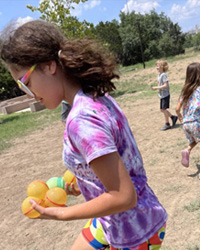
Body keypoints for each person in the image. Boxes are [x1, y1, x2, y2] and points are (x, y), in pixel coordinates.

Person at [0, 20, 167, 250]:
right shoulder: (94, 97)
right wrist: (81, 179)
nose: (30, 95)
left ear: (49, 66)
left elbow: (123, 196)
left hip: (134, 230)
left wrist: (61, 213)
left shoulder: (82, 121)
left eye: (26, 84)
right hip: (116, 220)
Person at [175, 62, 200, 168]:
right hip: (197, 122)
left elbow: (177, 109)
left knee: (195, 139)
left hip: (186, 124)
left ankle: (187, 150)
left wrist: (180, 117)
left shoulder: (185, 91)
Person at [151, 59, 178, 131]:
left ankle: (167, 124)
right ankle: (173, 117)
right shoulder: (159, 75)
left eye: (158, 66)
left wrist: (156, 88)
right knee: (162, 110)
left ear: (162, 67)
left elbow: (165, 85)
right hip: (162, 95)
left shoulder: (163, 75)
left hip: (165, 95)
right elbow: (161, 84)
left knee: (163, 109)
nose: (157, 68)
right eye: (156, 66)